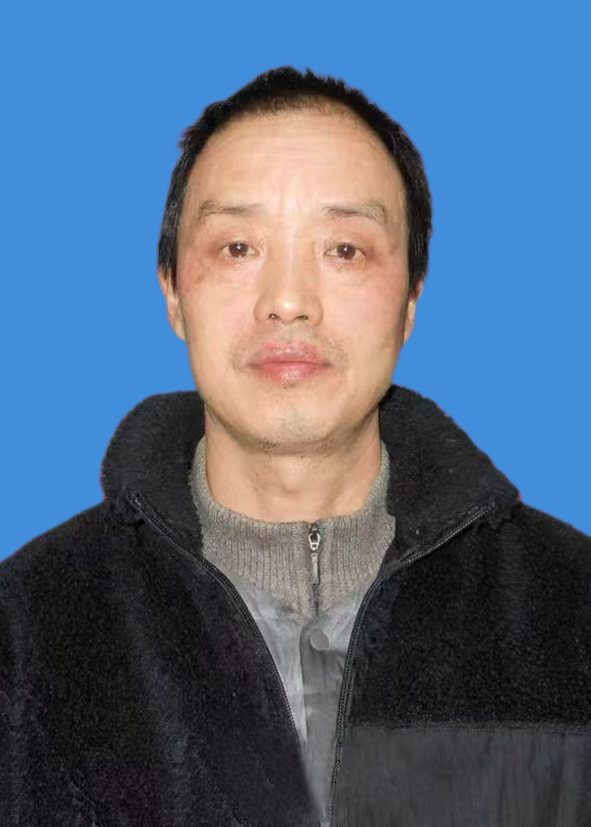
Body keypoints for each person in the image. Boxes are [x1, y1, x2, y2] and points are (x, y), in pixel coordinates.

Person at [1, 66, 590, 827]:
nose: (287, 301)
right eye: (238, 246)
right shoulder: (27, 636)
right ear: (173, 292)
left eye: (343, 249)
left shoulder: (568, 613)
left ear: (410, 300)